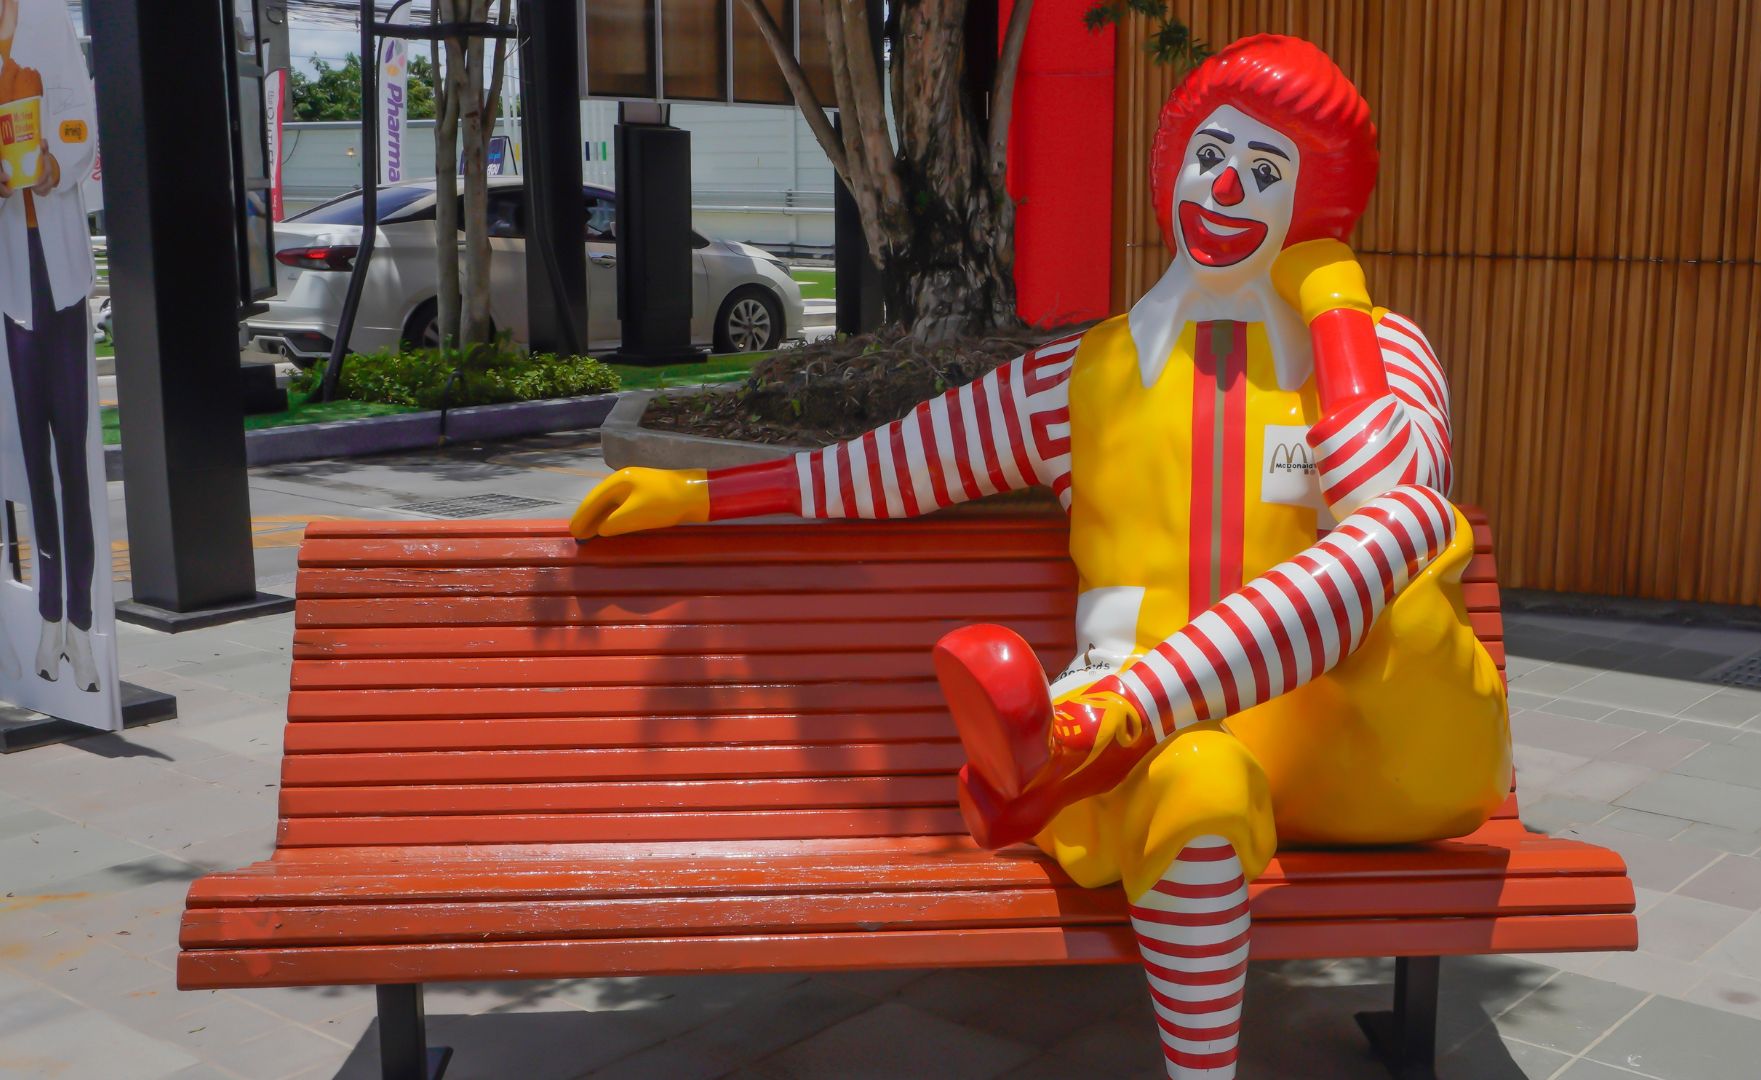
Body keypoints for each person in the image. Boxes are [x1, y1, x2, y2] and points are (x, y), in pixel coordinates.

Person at [571, 36, 1508, 1079]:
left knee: (1417, 527)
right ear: (1171, 167)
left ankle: (1098, 724)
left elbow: (1383, 494)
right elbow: (893, 466)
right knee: (1197, 784)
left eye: (1270, 168)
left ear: (1320, 206)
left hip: (1374, 749)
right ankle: (1132, 744)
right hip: (1183, 764)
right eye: (1211, 152)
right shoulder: (1081, 379)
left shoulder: (1383, 351)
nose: (1229, 183)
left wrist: (1334, 309)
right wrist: (701, 495)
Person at [0, 0, 100, 692]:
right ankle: (47, 618)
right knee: (31, 461)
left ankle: (82, 623)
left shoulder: (46, 22)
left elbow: (81, 126)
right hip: (5, 270)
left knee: (73, 451)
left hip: (54, 261)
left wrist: (48, 169)